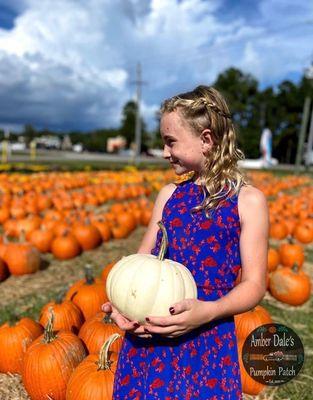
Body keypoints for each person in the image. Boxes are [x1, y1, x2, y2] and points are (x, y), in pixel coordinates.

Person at [102, 85, 269, 399]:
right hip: (150, 338)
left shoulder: (248, 202)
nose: (165, 152)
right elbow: (140, 265)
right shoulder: (169, 196)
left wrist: (208, 311)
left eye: (170, 142)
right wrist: (123, 306)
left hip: (207, 335)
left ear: (206, 140)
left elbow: (255, 284)